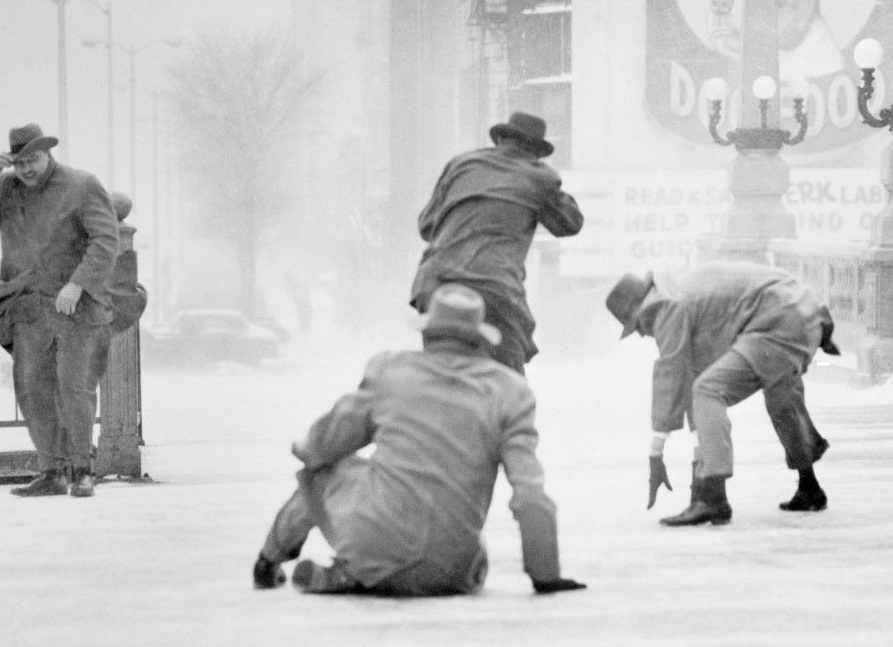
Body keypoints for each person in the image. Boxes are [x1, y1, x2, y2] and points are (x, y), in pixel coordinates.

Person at [253, 283, 586, 596]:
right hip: (453, 569)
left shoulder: (390, 372)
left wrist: (308, 449)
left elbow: (321, 446)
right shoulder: (510, 392)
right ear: (481, 341)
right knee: (470, 548)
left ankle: (271, 562)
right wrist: (546, 577)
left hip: (373, 540)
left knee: (322, 473)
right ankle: (377, 571)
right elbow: (530, 494)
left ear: (427, 334)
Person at [605, 261, 838, 526]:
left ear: (641, 310)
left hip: (776, 320)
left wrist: (656, 449)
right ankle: (810, 488)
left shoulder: (664, 305)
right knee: (782, 400)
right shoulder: (683, 287)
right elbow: (692, 379)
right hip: (803, 312)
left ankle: (712, 499)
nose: (642, 333)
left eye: (636, 327)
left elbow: (671, 373)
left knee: (708, 391)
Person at [0, 123, 119, 498]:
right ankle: (51, 471)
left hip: (74, 307)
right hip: (28, 307)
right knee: (31, 387)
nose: (27, 169)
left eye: (33, 160)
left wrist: (78, 283)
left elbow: (106, 239)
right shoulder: (5, 187)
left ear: (48, 154)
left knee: (74, 387)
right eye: (20, 162)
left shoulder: (81, 185)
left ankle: (82, 470)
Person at [409, 111, 584, 374]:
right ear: (535, 150)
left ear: (500, 138)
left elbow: (427, 225)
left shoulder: (461, 164)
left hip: (437, 283)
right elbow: (570, 223)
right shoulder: (540, 176)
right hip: (493, 288)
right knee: (506, 386)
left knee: (442, 376)